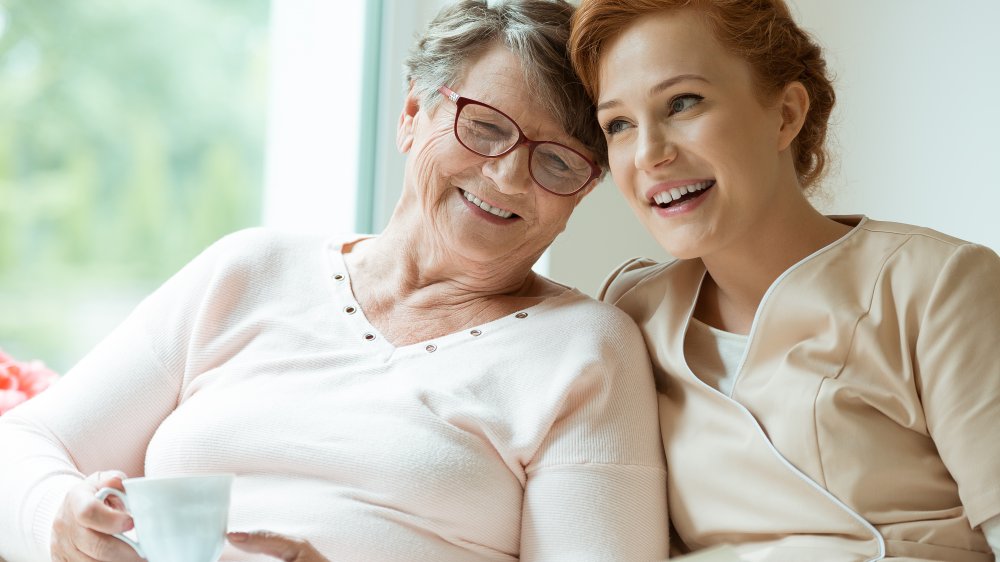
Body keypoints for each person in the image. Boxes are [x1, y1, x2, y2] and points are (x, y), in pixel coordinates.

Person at [0, 2, 670, 561]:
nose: (508, 177)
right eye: (485, 127)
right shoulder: (248, 272)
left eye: (557, 162)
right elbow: (25, 444)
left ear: (581, 194)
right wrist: (57, 518)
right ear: (413, 112)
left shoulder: (585, 352)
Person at [568, 1, 1000, 560]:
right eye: (619, 124)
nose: (650, 153)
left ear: (787, 114)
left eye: (682, 102)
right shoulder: (631, 313)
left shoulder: (935, 286)